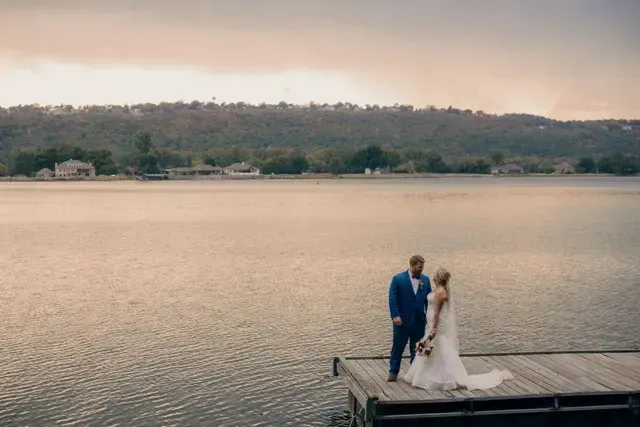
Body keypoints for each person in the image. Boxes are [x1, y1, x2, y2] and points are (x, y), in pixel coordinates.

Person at [404, 267, 513, 390]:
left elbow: (436, 312)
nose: (433, 277)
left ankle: (447, 376)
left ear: (438, 277)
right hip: (430, 323)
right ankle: (425, 375)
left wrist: (433, 328)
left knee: (441, 347)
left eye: (435, 275)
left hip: (437, 324)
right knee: (434, 348)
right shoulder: (438, 290)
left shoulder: (441, 292)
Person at [387, 255, 432, 382]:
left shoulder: (426, 280)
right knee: (398, 346)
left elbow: (428, 299)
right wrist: (395, 315)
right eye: (419, 267)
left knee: (417, 347)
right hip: (402, 320)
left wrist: (429, 316)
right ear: (412, 266)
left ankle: (414, 372)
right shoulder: (397, 279)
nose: (421, 270)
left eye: (423, 267)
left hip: (419, 320)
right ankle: (393, 371)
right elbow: (392, 298)